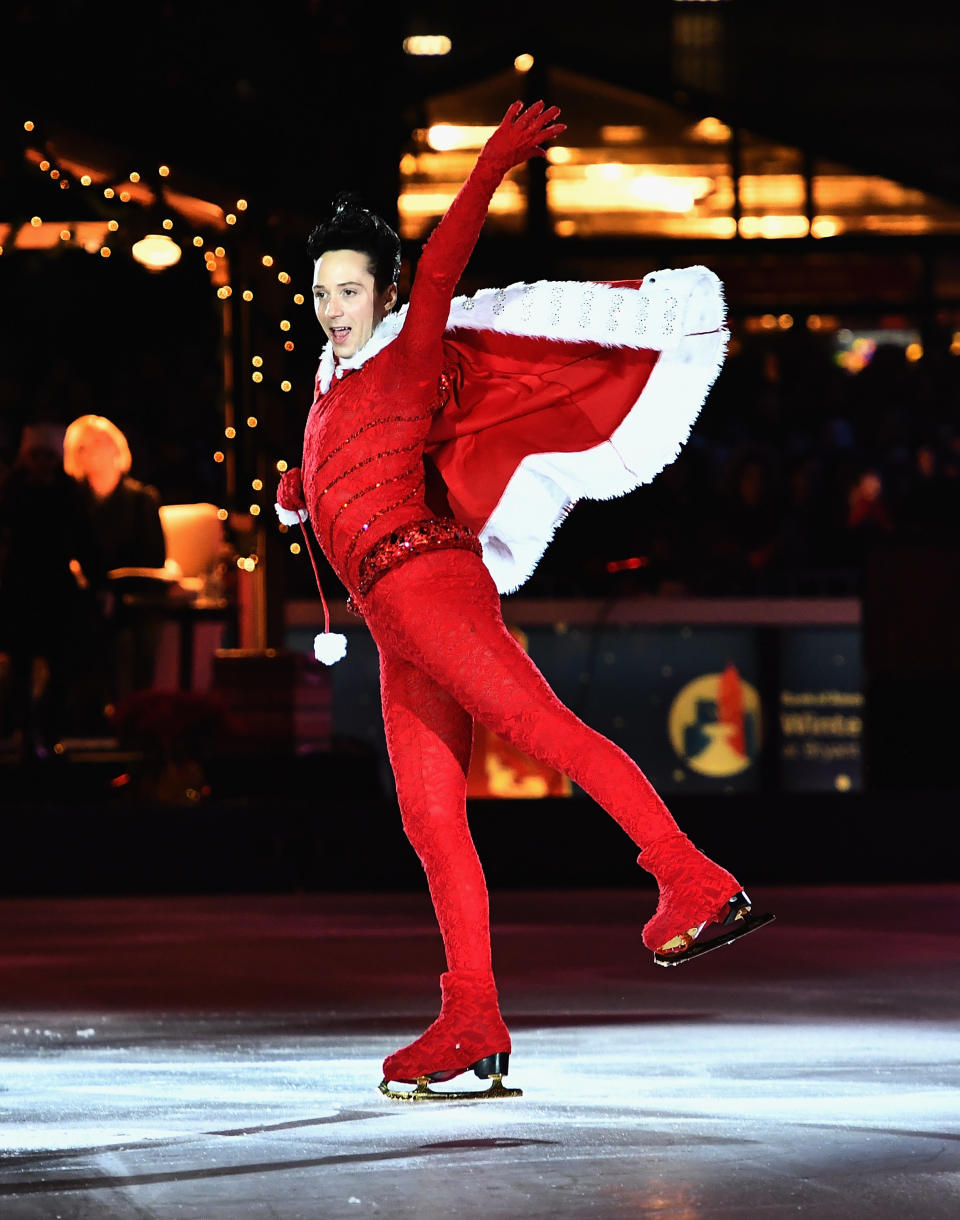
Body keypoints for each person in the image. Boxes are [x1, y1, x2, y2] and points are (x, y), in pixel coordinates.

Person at [276, 101, 772, 1100]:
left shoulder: (409, 351)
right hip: (394, 621)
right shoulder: (325, 399)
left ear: (382, 292)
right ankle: (472, 1014)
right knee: (429, 815)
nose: (335, 306)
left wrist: (493, 164)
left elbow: (448, 261)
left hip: (435, 586)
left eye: (351, 289)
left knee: (541, 728)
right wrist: (300, 492)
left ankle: (694, 876)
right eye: (323, 290)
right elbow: (336, 485)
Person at [63, 415, 166, 703]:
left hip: (132, 597)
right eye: (82, 446)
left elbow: (153, 560)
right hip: (83, 596)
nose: (91, 451)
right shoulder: (71, 502)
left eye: (98, 442)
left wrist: (113, 589)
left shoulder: (142, 499)